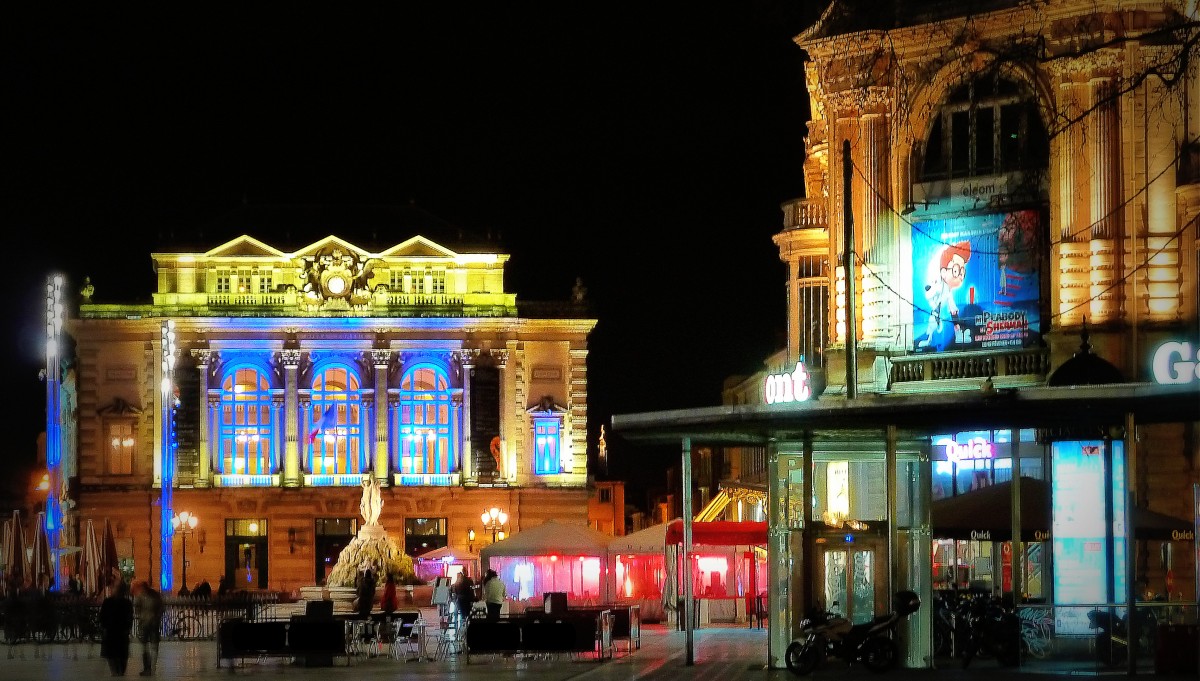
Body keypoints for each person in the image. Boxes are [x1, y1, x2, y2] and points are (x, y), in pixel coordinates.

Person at [99, 580, 133, 676]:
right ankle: (115, 672)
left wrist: (127, 628)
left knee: (120, 654)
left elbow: (129, 617)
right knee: (112, 654)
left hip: (120, 632)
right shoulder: (109, 602)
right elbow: (102, 616)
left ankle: (118, 672)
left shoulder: (126, 603)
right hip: (112, 631)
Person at [132, 580, 164, 676]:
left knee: (148, 646)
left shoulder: (144, 596)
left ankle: (149, 668)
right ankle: (150, 667)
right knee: (150, 646)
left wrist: (141, 616)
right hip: (150, 623)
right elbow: (161, 608)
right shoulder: (153, 595)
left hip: (148, 623)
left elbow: (137, 607)